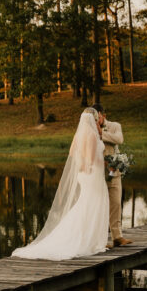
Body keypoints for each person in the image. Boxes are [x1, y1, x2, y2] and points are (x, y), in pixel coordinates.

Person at [11, 108, 109, 260]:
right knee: (92, 205)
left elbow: (72, 153)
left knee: (86, 205)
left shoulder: (79, 136)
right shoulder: (91, 135)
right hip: (91, 174)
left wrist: (81, 164)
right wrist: (107, 162)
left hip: (83, 175)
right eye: (95, 119)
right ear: (92, 119)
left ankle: (84, 238)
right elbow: (90, 160)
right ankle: (87, 240)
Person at [94, 104, 131, 247]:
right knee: (99, 207)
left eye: (98, 117)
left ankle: (117, 237)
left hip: (114, 171)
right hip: (97, 173)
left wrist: (101, 134)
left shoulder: (115, 126)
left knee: (115, 203)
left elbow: (119, 139)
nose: (96, 121)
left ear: (103, 115)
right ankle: (100, 240)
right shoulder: (89, 130)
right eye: (94, 119)